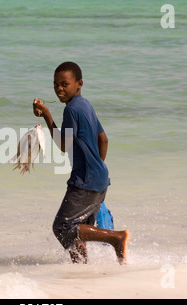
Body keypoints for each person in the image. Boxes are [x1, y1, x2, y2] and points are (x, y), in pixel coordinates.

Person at [33, 61, 130, 264]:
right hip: (99, 178)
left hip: (85, 181)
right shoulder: (86, 105)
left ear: (79, 84)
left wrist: (48, 116)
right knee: (77, 231)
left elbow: (63, 144)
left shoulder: (71, 110)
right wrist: (97, 168)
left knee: (62, 227)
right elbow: (103, 139)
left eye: (64, 84)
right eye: (55, 84)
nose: (59, 88)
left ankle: (116, 238)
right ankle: (81, 270)